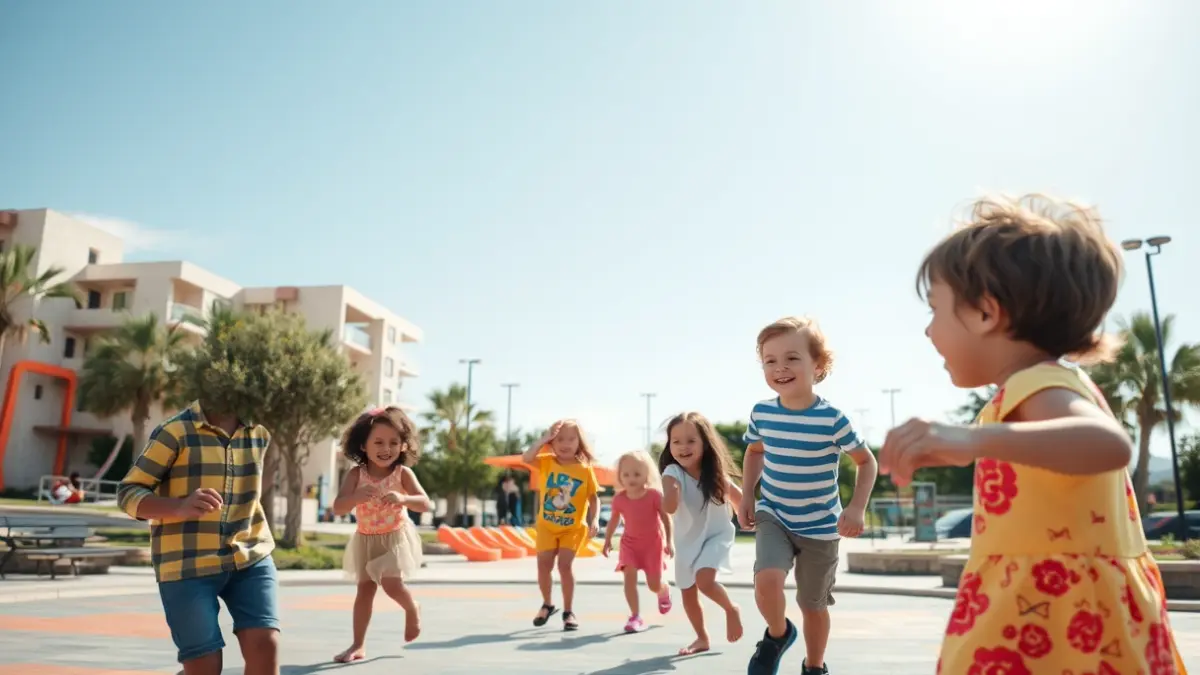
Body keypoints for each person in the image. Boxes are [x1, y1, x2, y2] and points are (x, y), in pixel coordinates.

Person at [879, 194, 1188, 674]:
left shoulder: (1037, 382)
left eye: (935, 310)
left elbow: (1107, 443)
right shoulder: (1032, 390)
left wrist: (970, 440)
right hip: (1046, 611)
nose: (928, 332)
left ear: (986, 313)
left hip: (1055, 621)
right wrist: (967, 449)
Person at [740, 316, 878, 675]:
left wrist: (856, 508)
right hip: (775, 513)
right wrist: (747, 497)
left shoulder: (833, 419)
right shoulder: (762, 412)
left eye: (791, 358)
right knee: (767, 580)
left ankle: (814, 666)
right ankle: (777, 634)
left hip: (820, 524)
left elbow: (867, 462)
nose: (780, 368)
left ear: (818, 366)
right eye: (770, 361)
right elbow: (754, 452)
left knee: (812, 603)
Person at [117, 401, 279, 675]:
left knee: (266, 646)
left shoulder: (259, 431)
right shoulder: (174, 432)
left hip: (250, 555)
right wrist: (178, 507)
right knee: (204, 666)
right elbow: (128, 492)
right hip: (185, 563)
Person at [331, 406, 431, 663]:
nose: (386, 448)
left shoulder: (402, 473)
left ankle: (411, 607)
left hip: (395, 538)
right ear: (363, 445)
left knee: (391, 584)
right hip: (366, 538)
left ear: (403, 446)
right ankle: (357, 644)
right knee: (364, 590)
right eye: (378, 442)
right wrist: (354, 497)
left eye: (393, 442)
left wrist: (403, 498)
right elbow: (338, 507)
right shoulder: (356, 474)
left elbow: (425, 503)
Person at [660, 411, 744, 657]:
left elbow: (740, 500)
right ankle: (702, 637)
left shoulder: (716, 475)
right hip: (686, 542)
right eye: (676, 442)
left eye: (690, 441)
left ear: (705, 444)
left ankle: (731, 609)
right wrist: (669, 500)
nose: (683, 447)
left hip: (717, 536)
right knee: (688, 591)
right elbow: (670, 499)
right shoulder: (672, 473)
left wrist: (753, 519)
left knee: (705, 580)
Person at [522, 419, 600, 631]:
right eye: (559, 439)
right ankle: (548, 604)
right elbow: (526, 457)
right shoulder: (546, 461)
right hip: (547, 526)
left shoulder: (585, 470)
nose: (565, 443)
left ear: (579, 442)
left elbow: (593, 498)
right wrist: (542, 439)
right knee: (543, 566)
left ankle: (568, 611)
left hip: (572, 528)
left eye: (571, 439)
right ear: (552, 442)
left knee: (564, 566)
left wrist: (594, 519)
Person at [602, 450, 674, 633]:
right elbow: (613, 521)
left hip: (652, 545)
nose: (631, 478)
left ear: (646, 475)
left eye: (637, 474)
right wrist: (607, 540)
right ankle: (635, 616)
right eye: (626, 474)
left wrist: (669, 542)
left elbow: (666, 519)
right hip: (629, 545)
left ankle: (663, 590)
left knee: (653, 585)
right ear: (620, 476)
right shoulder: (619, 499)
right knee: (629, 579)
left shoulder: (654, 496)